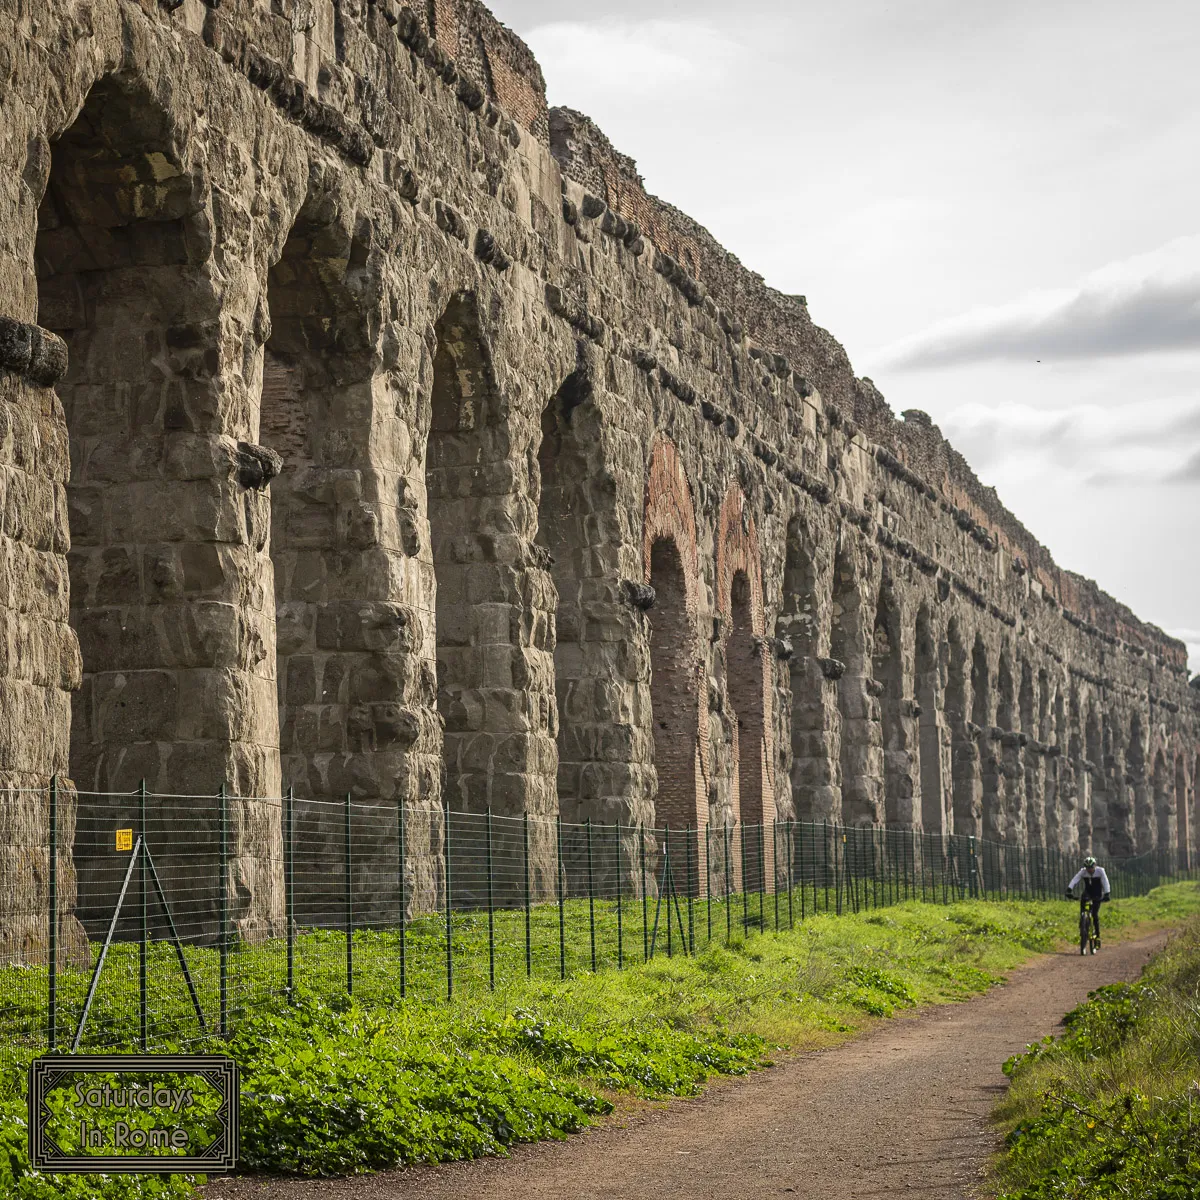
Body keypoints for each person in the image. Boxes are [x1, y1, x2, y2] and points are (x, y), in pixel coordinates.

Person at [1065, 856, 1111, 949]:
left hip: (1097, 894)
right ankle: (1083, 924)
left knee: (1094, 915)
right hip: (1087, 892)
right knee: (1083, 908)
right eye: (1087, 868)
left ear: (1095, 866)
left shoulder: (1100, 871)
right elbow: (1075, 880)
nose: (1089, 870)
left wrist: (1107, 893)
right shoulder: (1083, 871)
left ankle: (1097, 937)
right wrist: (1069, 889)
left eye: (1091, 868)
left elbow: (1105, 882)